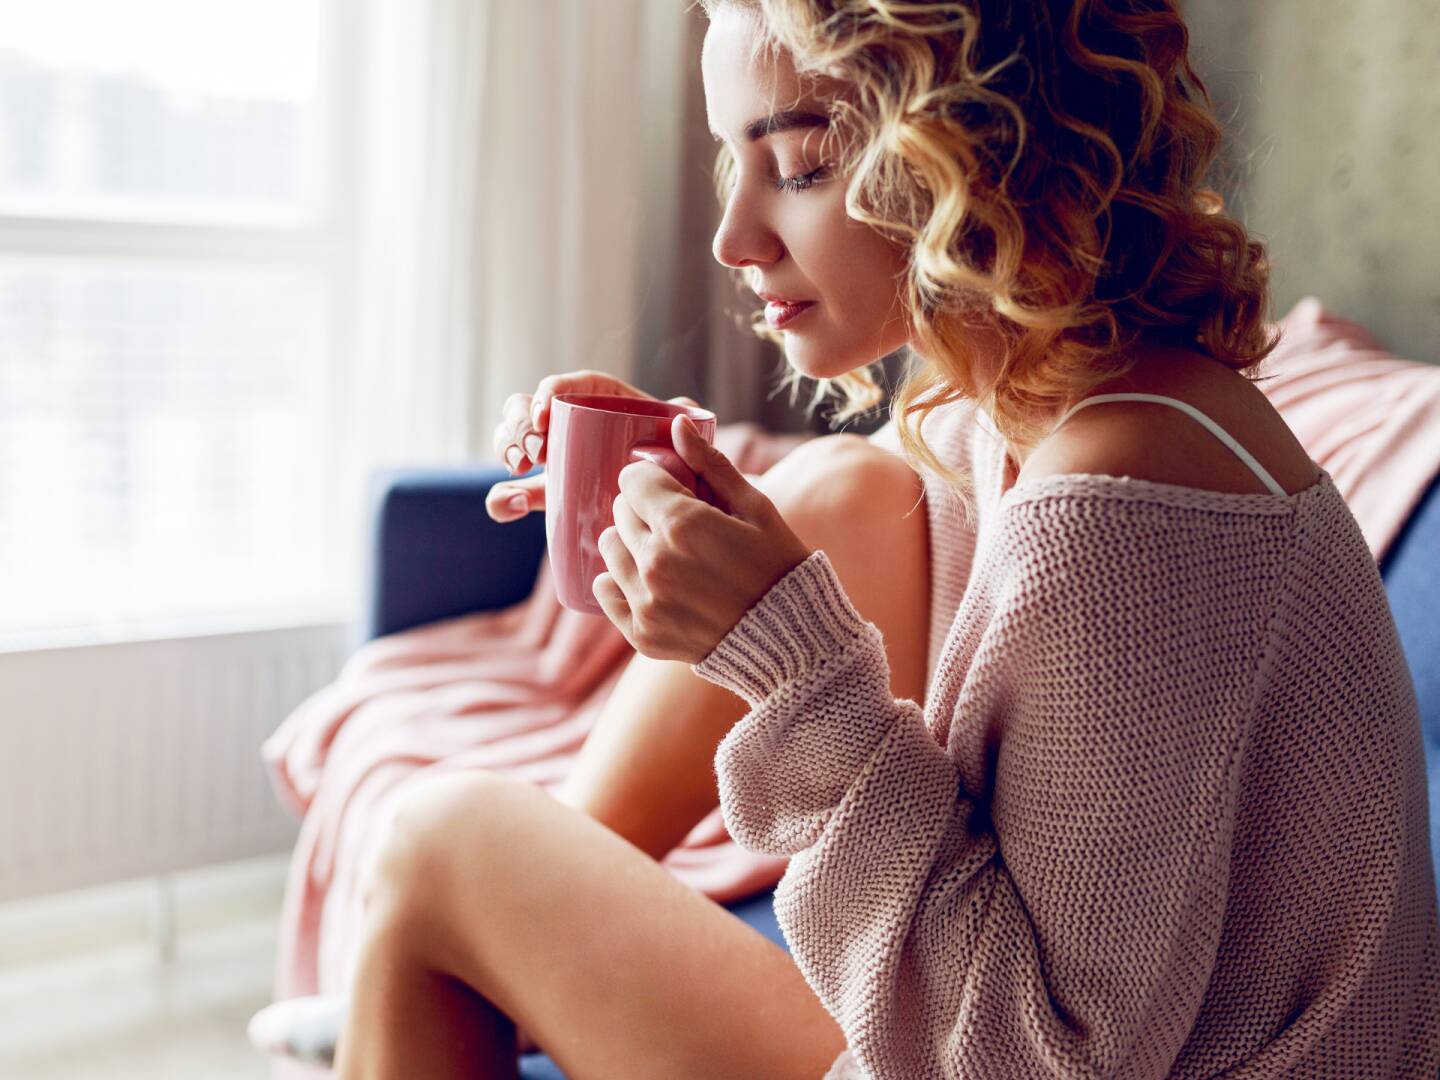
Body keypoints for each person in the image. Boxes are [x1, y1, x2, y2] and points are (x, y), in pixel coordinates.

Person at [257, 1, 1440, 1077]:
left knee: (436, 843)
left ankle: (436, 975)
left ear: (981, 153)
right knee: (847, 492)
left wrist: (787, 660)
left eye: (803, 164)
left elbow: (1033, 1063)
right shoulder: (1052, 408)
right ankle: (465, 976)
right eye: (734, 161)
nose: (733, 235)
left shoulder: (1119, 505)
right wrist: (668, 481)